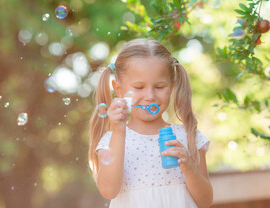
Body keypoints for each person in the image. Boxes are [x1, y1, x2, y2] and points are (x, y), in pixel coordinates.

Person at [88, 38, 213, 208]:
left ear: (172, 86)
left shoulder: (188, 136)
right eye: (139, 87)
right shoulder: (112, 141)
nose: (150, 96)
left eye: (160, 87)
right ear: (118, 89)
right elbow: (109, 191)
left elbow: (205, 201)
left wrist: (190, 168)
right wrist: (118, 132)